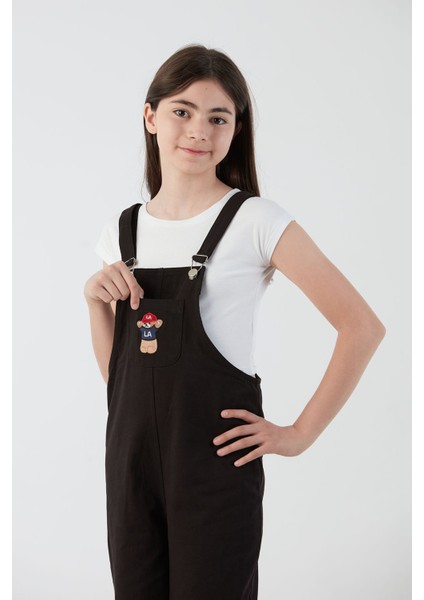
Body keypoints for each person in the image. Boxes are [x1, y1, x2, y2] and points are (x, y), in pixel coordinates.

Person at [84, 44, 386, 600]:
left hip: (216, 467)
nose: (198, 130)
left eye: (218, 117)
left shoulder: (256, 221)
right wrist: (94, 305)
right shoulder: (120, 232)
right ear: (150, 116)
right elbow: (119, 378)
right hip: (130, 465)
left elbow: (361, 327)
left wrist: (298, 435)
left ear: (235, 129)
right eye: (182, 111)